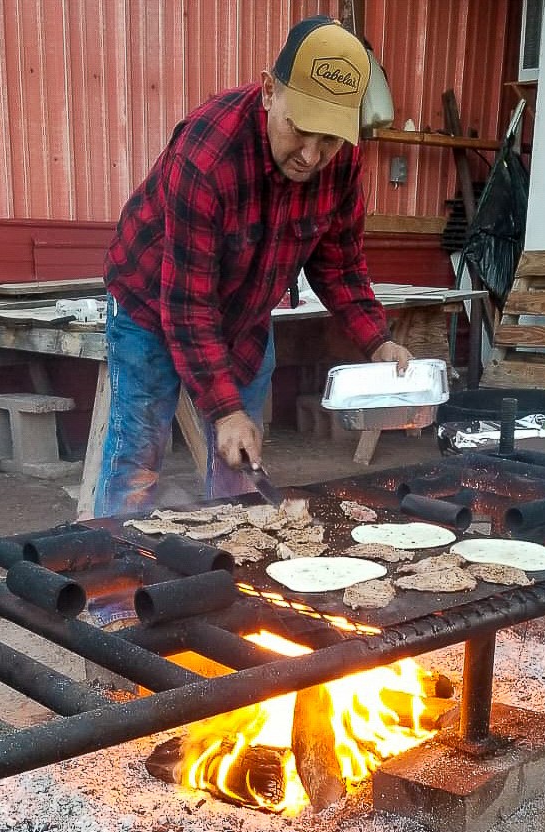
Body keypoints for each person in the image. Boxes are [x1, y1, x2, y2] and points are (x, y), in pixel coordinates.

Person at [94, 14, 412, 517]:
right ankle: (111, 589)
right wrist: (222, 410)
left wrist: (376, 338)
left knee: (243, 456)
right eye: (301, 131)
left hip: (246, 312)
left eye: (328, 140)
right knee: (140, 454)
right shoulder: (208, 152)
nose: (311, 155)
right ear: (269, 92)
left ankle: (233, 581)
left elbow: (341, 264)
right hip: (154, 302)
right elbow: (188, 305)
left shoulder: (342, 162)